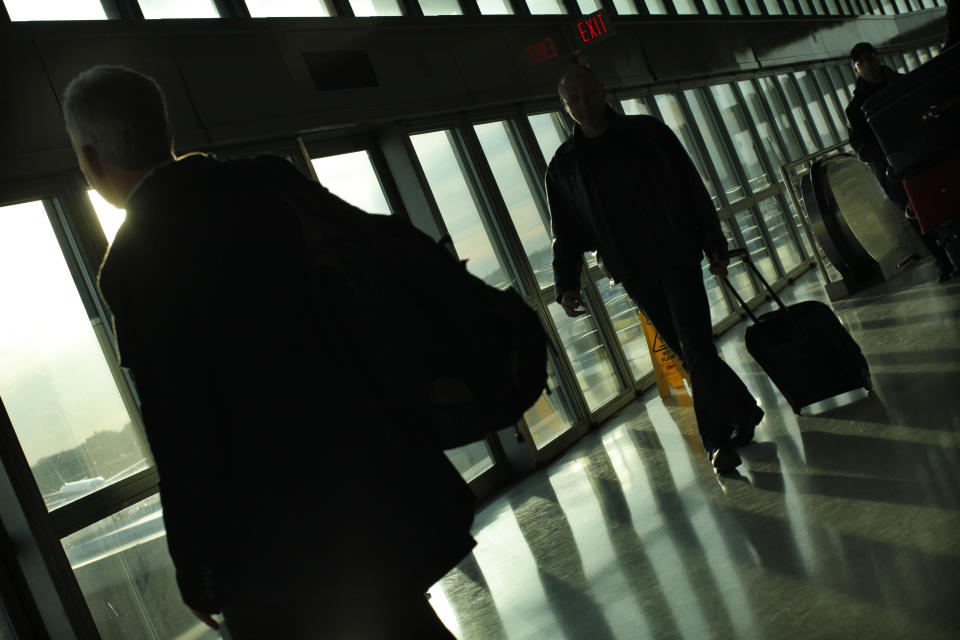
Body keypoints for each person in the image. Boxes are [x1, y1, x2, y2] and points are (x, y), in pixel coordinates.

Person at [63, 65, 474, 639]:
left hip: (277, 543)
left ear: (89, 157)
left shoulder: (134, 265)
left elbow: (182, 430)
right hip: (371, 485)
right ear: (165, 130)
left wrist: (197, 564)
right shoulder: (266, 185)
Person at [546, 65, 763, 474]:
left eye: (588, 95)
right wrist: (566, 283)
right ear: (563, 106)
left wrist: (713, 244)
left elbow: (692, 189)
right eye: (573, 100)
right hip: (632, 271)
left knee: (695, 347)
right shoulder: (564, 166)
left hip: (677, 254)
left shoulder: (648, 134)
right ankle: (743, 408)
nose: (583, 106)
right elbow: (566, 231)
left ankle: (716, 443)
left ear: (603, 90)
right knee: (688, 349)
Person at [844, 42, 954, 281]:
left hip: (919, 160)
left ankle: (949, 256)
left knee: (937, 205)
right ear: (856, 68)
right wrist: (886, 161)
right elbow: (861, 146)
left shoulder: (900, 85)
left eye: (870, 59)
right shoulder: (858, 108)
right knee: (919, 216)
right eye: (862, 62)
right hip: (895, 170)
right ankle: (943, 259)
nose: (868, 65)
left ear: (877, 59)